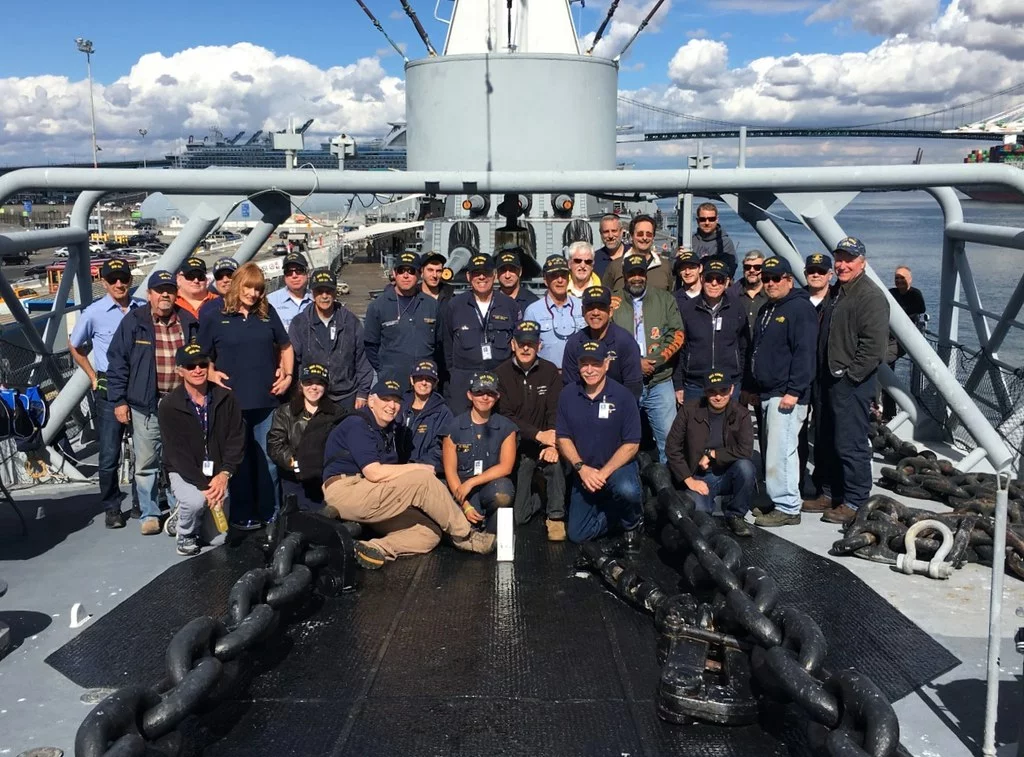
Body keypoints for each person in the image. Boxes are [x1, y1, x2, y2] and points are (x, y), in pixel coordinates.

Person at [322, 376, 496, 569]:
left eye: (396, 401)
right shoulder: (357, 424)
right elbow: (374, 472)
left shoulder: (388, 431)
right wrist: (419, 468)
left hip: (371, 492)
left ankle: (372, 549)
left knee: (429, 533)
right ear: (371, 401)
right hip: (346, 489)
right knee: (422, 479)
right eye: (386, 399)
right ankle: (467, 536)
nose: (392, 406)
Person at [199, 262, 293, 529]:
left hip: (266, 401)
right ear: (238, 285)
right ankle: (242, 514)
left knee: (268, 461)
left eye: (258, 289)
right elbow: (202, 355)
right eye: (249, 287)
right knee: (237, 462)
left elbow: (286, 346)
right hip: (231, 403)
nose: (253, 294)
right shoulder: (215, 315)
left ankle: (271, 512)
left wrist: (287, 375)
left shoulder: (266, 313)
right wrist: (211, 373)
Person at [805, 237, 890, 525]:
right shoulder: (838, 292)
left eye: (849, 260)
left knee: (850, 442)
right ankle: (829, 492)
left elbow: (874, 347)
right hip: (827, 378)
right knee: (825, 438)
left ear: (862, 262)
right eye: (839, 259)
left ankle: (855, 500)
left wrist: (851, 376)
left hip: (850, 383)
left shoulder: (870, 296)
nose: (842, 265)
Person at [106, 269, 195, 535]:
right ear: (149, 294)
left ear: (176, 294)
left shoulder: (189, 322)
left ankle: (180, 510)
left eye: (170, 290)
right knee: (146, 463)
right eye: (160, 290)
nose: (165, 295)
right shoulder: (134, 322)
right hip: (145, 404)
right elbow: (117, 363)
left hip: (181, 405)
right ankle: (150, 513)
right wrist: (118, 401)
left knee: (180, 460)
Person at [68, 258, 145, 529]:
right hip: (109, 386)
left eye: (123, 278)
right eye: (113, 279)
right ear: (104, 283)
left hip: (139, 385)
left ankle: (141, 502)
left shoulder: (142, 309)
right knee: (110, 452)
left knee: (145, 449)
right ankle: (112, 507)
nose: (119, 284)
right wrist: (92, 376)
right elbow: (75, 344)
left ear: (130, 280)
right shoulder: (94, 313)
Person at [747, 257, 818, 528]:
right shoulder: (769, 308)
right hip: (769, 392)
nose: (770, 283)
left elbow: (804, 353)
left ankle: (788, 506)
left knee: (783, 451)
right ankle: (778, 500)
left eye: (776, 278)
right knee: (773, 451)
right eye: (766, 278)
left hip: (786, 394)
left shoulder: (800, 309)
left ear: (789, 279)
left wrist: (794, 391)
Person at [159, 342, 245, 556]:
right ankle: (185, 532)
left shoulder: (226, 398)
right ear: (180, 371)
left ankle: (187, 513)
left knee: (218, 539)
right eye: (190, 366)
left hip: (217, 471)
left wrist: (224, 474)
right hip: (184, 470)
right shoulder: (169, 405)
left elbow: (236, 438)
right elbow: (176, 454)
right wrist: (204, 486)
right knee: (195, 501)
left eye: (202, 365)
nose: (197, 370)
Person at [556, 340, 644, 545]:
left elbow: (632, 444)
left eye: (595, 364)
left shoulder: (623, 396)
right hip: (584, 471)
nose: (589, 370)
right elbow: (563, 437)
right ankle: (616, 517)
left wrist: (603, 474)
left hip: (617, 469)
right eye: (584, 364)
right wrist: (581, 468)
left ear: (606, 364)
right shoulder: (567, 394)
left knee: (627, 490)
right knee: (577, 534)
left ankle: (632, 521)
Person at [495, 321, 567, 540]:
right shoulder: (501, 373)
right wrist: (537, 435)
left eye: (531, 343)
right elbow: (506, 415)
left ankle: (555, 516)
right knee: (520, 516)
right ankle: (540, 496)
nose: (526, 348)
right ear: (513, 344)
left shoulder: (550, 371)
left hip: (547, 443)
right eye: (521, 343)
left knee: (555, 465)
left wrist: (553, 442)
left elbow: (555, 410)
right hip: (519, 447)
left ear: (539, 345)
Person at [611, 254, 684, 463]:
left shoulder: (665, 299)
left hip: (659, 380)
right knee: (621, 440)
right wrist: (635, 364)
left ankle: (669, 480)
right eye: (631, 273)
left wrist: (654, 361)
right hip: (624, 383)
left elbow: (677, 334)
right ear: (624, 276)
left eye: (640, 273)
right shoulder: (613, 302)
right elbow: (606, 338)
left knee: (669, 441)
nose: (637, 278)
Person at [665, 370, 756, 537]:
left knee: (746, 468)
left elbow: (746, 449)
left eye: (723, 391)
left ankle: (736, 515)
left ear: (731, 389)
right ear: (705, 391)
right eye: (713, 391)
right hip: (698, 476)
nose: (718, 397)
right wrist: (689, 480)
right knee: (700, 516)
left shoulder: (741, 413)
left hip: (727, 473)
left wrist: (713, 454)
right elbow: (672, 448)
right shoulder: (689, 410)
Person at [441, 251, 521, 413]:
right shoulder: (455, 306)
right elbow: (447, 345)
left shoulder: (509, 306)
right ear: (468, 277)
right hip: (464, 381)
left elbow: (516, 344)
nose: (482, 277)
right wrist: (455, 373)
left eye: (486, 273)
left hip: (499, 380)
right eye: (476, 273)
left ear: (494, 275)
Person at [443, 372, 518, 533]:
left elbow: (506, 467)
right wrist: (465, 505)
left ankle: (496, 532)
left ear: (497, 397)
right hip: (461, 491)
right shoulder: (453, 427)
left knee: (503, 493)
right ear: (469, 395)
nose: (485, 397)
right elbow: (450, 471)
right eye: (479, 392)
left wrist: (472, 483)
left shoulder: (507, 427)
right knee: (464, 533)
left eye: (490, 393)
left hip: (489, 486)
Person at [267, 363, 347, 511]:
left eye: (319, 383)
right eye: (309, 382)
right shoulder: (285, 412)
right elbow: (275, 444)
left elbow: (342, 447)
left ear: (326, 386)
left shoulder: (337, 413)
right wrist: (296, 463)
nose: (314, 387)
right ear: (301, 385)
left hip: (324, 478)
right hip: (294, 478)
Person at [289, 268, 372, 410]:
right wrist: (299, 392)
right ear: (312, 293)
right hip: (313, 396)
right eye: (319, 291)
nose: (324, 296)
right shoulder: (299, 323)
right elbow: (295, 361)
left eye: (329, 291)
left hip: (347, 396)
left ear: (335, 292)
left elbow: (362, 359)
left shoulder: (351, 322)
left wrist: (363, 393)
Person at [673, 257, 748, 404]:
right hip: (695, 383)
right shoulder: (687, 309)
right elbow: (680, 348)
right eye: (709, 278)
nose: (714, 283)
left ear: (727, 282)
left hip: (728, 384)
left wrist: (739, 377)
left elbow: (743, 346)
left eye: (719, 279)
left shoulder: (737, 308)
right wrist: (678, 384)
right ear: (702, 279)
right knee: (694, 420)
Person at [364, 251, 440, 383]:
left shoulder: (431, 305)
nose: (406, 276)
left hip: (424, 380)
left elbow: (440, 344)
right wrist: (384, 370)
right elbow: (370, 345)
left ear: (419, 274)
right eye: (401, 271)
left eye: (411, 271)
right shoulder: (378, 306)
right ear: (394, 274)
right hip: (392, 381)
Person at [563, 286, 644, 399]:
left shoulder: (625, 342)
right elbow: (570, 386)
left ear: (610, 311)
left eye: (601, 307)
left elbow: (633, 386)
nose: (595, 312)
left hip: (618, 404)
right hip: (584, 404)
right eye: (590, 307)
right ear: (583, 311)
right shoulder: (574, 343)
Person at [798, 252, 834, 494]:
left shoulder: (838, 301)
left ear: (830, 275)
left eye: (821, 271)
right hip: (800, 375)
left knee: (824, 431)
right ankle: (797, 480)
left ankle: (823, 484)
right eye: (812, 271)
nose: (816, 275)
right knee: (796, 432)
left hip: (826, 376)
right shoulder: (796, 300)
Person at [523, 255, 586, 369]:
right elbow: (527, 347)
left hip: (577, 372)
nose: (560, 280)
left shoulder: (581, 306)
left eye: (563, 275)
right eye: (554, 276)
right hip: (546, 374)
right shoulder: (533, 311)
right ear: (545, 280)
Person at [883, 265, 927, 419]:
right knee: (886, 372)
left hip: (902, 340)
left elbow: (920, 310)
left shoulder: (915, 294)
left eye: (902, 277)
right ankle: (888, 413)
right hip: (887, 336)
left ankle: (884, 409)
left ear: (910, 279)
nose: (899, 281)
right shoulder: (891, 293)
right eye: (897, 278)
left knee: (881, 363)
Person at [397, 359, 453, 475]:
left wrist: (419, 466)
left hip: (425, 470)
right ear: (412, 380)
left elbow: (440, 448)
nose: (424, 383)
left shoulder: (443, 412)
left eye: (429, 379)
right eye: (419, 378)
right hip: (395, 468)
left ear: (435, 383)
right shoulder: (398, 405)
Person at [603, 215, 673, 292]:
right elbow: (606, 294)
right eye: (640, 234)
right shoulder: (616, 266)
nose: (644, 238)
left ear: (653, 237)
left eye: (649, 234)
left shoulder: (664, 266)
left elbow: (669, 295)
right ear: (632, 236)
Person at [267, 252, 313, 331]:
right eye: (289, 272)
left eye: (299, 270)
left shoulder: (317, 299)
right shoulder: (271, 302)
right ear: (284, 276)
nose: (294, 275)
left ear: (307, 273)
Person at [732, 250, 769, 338]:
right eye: (747, 267)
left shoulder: (771, 295)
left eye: (757, 267)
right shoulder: (732, 294)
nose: (752, 270)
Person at [496, 246, 539, 311]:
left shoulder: (532, 303)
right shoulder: (490, 301)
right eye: (503, 270)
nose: (507, 276)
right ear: (497, 273)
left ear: (520, 271)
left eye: (512, 270)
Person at [594, 214, 629, 279]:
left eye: (614, 231)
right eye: (606, 232)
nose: (610, 236)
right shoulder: (594, 259)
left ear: (621, 231)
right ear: (601, 233)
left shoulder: (632, 253)